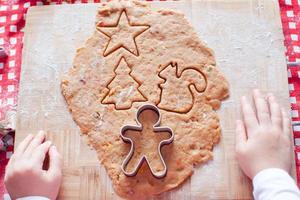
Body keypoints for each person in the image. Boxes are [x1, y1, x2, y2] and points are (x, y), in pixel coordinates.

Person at [4, 89, 300, 200]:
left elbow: (157, 138)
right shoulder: (135, 133)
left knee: (151, 163)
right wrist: (271, 175)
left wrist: (32, 198)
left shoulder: (156, 134)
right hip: (141, 152)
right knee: (139, 162)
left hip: (151, 153)